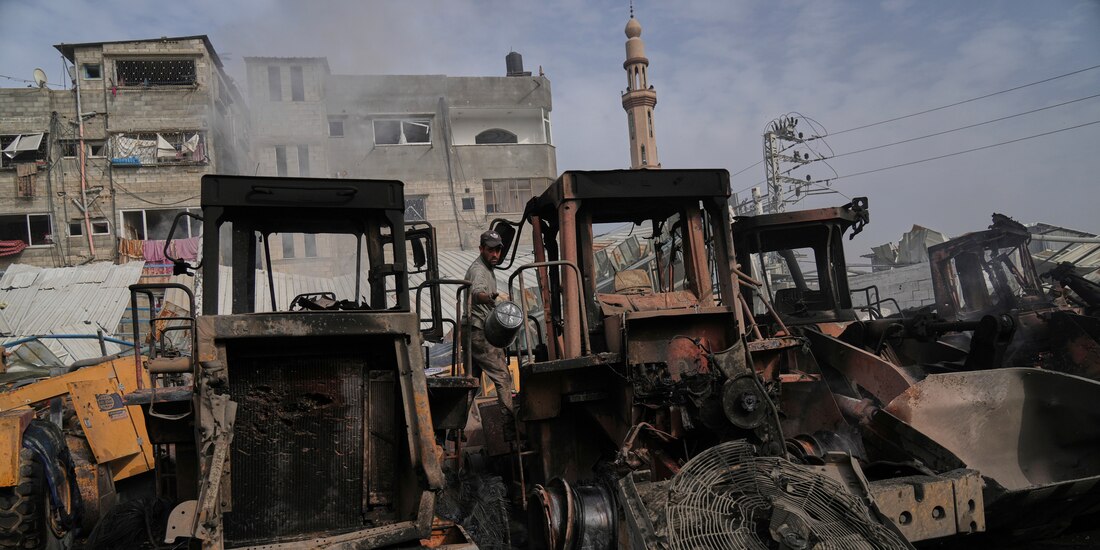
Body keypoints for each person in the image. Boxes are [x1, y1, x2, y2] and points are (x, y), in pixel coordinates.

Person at [463, 229, 516, 420]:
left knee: (471, 384)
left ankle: (454, 429)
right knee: (502, 377)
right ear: (481, 249)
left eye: (498, 251)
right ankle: (511, 427)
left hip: (471, 330)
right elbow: (477, 293)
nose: (495, 255)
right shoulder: (479, 271)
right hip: (478, 332)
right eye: (491, 250)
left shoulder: (487, 269)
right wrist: (488, 297)